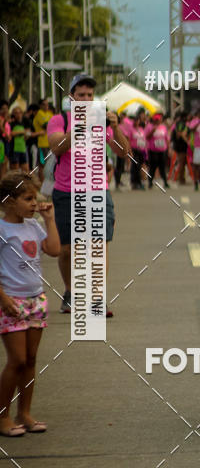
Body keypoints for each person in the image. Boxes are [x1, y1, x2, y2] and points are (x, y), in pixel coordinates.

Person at [47, 73, 129, 315]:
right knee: (66, 250)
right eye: (81, 95)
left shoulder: (101, 120)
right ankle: (70, 291)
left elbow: (123, 151)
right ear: (71, 97)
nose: (86, 99)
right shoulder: (59, 120)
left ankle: (97, 299)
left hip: (97, 191)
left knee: (98, 246)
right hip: (66, 192)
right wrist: (80, 126)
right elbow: (56, 146)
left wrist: (115, 127)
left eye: (90, 96)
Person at [0, 172, 60, 436]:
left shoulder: (34, 225)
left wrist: (49, 220)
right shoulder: (2, 230)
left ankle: (24, 412)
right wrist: (3, 300)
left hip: (36, 300)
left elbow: (55, 249)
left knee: (32, 360)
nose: (34, 203)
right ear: (9, 201)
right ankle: (3, 416)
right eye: (28, 199)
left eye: (35, 198)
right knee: (17, 360)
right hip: (11, 301)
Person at [145, 112, 170, 189]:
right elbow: (147, 137)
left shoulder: (163, 127)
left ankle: (165, 182)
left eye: (158, 120)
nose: (157, 121)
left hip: (162, 150)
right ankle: (150, 182)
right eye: (156, 120)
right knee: (152, 167)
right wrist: (152, 131)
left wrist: (168, 148)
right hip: (153, 150)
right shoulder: (149, 126)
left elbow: (167, 138)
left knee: (162, 167)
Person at [33, 97, 53, 183]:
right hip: (42, 144)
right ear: (40, 106)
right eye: (44, 104)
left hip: (50, 143)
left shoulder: (49, 114)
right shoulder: (39, 114)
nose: (46, 106)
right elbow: (47, 125)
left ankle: (46, 182)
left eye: (47, 105)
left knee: (49, 164)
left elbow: (53, 124)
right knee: (42, 165)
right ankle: (41, 183)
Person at [129, 111, 148, 190]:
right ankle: (135, 182)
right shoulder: (131, 130)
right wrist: (129, 150)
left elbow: (144, 139)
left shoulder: (141, 129)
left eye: (138, 120)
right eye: (135, 120)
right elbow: (128, 140)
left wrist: (145, 150)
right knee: (135, 166)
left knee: (141, 166)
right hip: (134, 150)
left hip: (142, 150)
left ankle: (139, 181)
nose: (136, 122)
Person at [9, 106, 30, 172]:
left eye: (19, 113)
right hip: (14, 149)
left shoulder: (24, 122)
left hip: (23, 148)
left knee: (26, 169)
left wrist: (26, 135)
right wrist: (22, 132)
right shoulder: (12, 123)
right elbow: (11, 133)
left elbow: (28, 133)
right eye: (16, 113)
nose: (18, 115)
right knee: (15, 171)